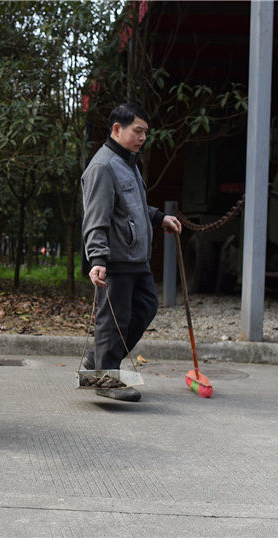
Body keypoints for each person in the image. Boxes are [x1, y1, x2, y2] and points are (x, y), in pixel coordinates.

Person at [80, 102, 181, 402]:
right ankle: (104, 378)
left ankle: (97, 359)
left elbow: (130, 206)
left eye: (146, 132)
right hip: (116, 259)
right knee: (114, 318)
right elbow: (96, 216)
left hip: (136, 258)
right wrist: (97, 259)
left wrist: (158, 217)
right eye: (138, 131)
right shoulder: (103, 166)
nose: (142, 138)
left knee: (146, 306)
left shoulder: (128, 162)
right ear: (116, 129)